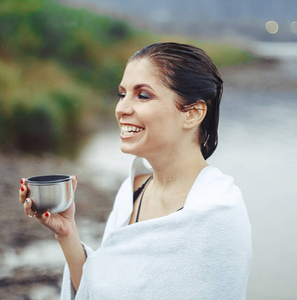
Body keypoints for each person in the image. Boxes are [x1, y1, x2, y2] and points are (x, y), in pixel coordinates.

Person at [19, 42, 252, 299]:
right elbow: (97, 290)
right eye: (122, 94)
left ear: (193, 113)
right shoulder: (132, 191)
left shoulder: (217, 213)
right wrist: (67, 233)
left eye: (143, 95)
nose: (121, 109)